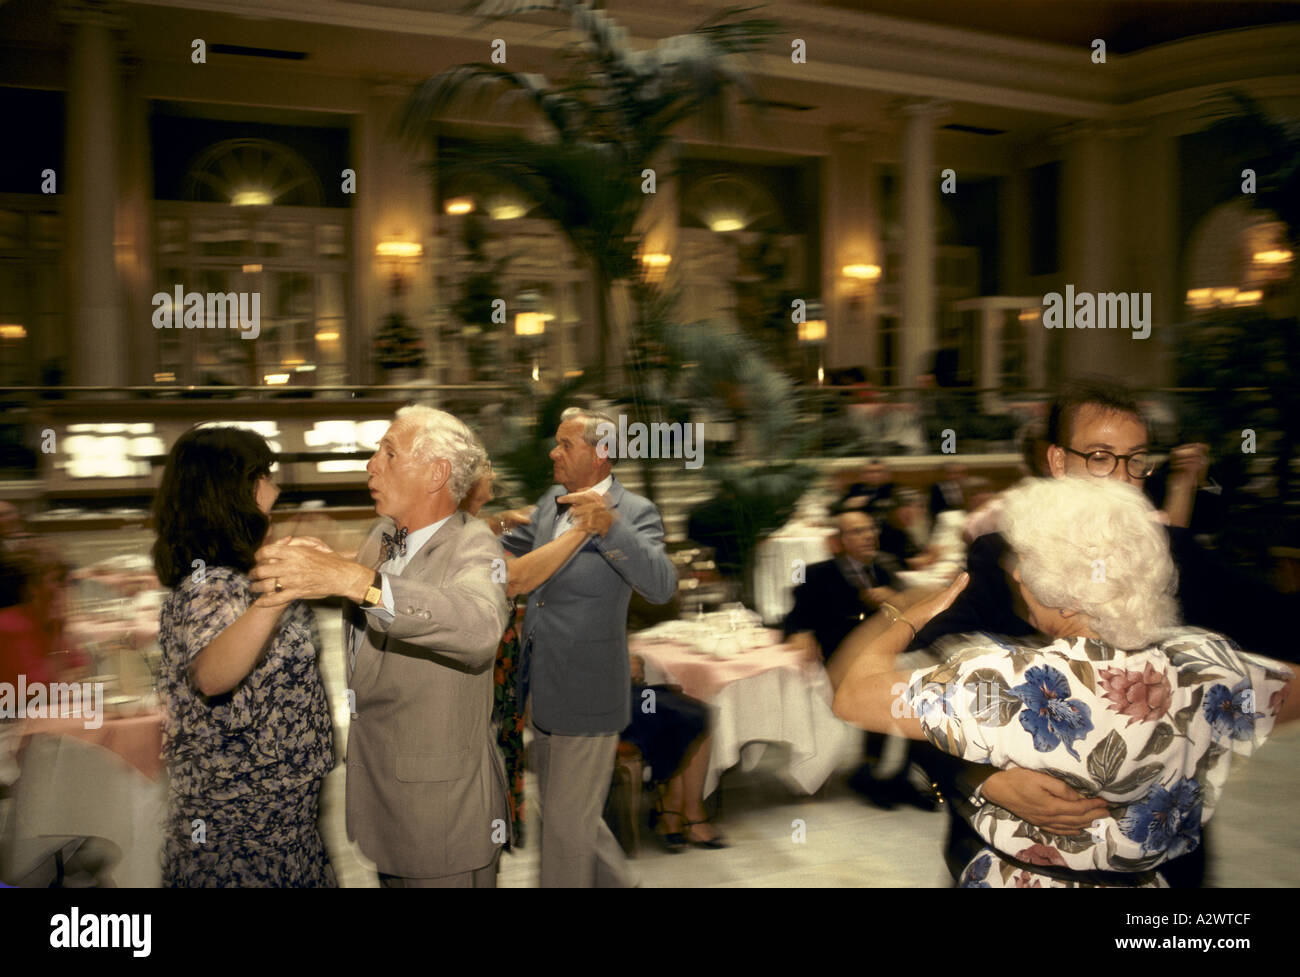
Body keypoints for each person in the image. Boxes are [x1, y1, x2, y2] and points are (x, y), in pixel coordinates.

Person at [831, 476, 1297, 887]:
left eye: (1028, 560)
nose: (1015, 572)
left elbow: (851, 693)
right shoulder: (1206, 664)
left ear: (1066, 593)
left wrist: (910, 614)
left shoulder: (1013, 683)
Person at [251, 406, 510, 887]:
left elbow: (478, 627)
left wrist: (350, 578)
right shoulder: (387, 535)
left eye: (389, 454)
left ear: (436, 474)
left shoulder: (474, 544)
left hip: (441, 818)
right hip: (387, 803)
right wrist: (326, 565)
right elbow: (384, 593)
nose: (371, 465)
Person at [496, 406, 677, 887]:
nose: (553, 452)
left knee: (562, 831)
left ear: (601, 455)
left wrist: (609, 527)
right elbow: (522, 554)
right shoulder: (552, 498)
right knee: (564, 813)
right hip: (540, 685)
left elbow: (661, 586)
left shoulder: (635, 512)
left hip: (589, 690)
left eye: (565, 445)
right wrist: (496, 528)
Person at [152, 426, 335, 887]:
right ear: (236, 489)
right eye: (264, 473)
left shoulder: (238, 573)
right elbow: (213, 676)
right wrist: (276, 592)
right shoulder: (209, 584)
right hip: (240, 827)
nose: (276, 486)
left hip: (279, 819)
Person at [457, 456, 606, 848]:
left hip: (499, 663)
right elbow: (515, 578)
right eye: (485, 467)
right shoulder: (460, 531)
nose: (492, 471)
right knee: (483, 768)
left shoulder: (471, 524)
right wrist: (579, 532)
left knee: (498, 757)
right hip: (482, 667)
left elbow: (495, 529)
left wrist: (516, 519)